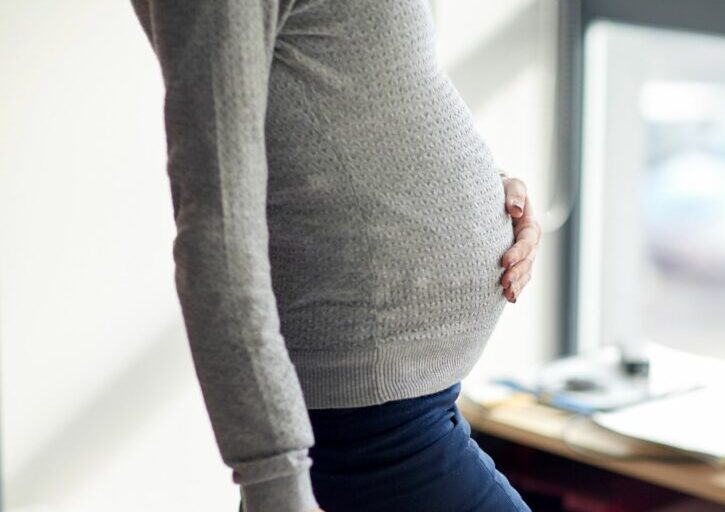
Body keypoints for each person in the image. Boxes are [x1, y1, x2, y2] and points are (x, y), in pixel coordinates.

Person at [129, 1, 541, 511]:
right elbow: (216, 231)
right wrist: (274, 483)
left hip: (411, 404)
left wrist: (488, 191)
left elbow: (364, 89)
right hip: (371, 428)